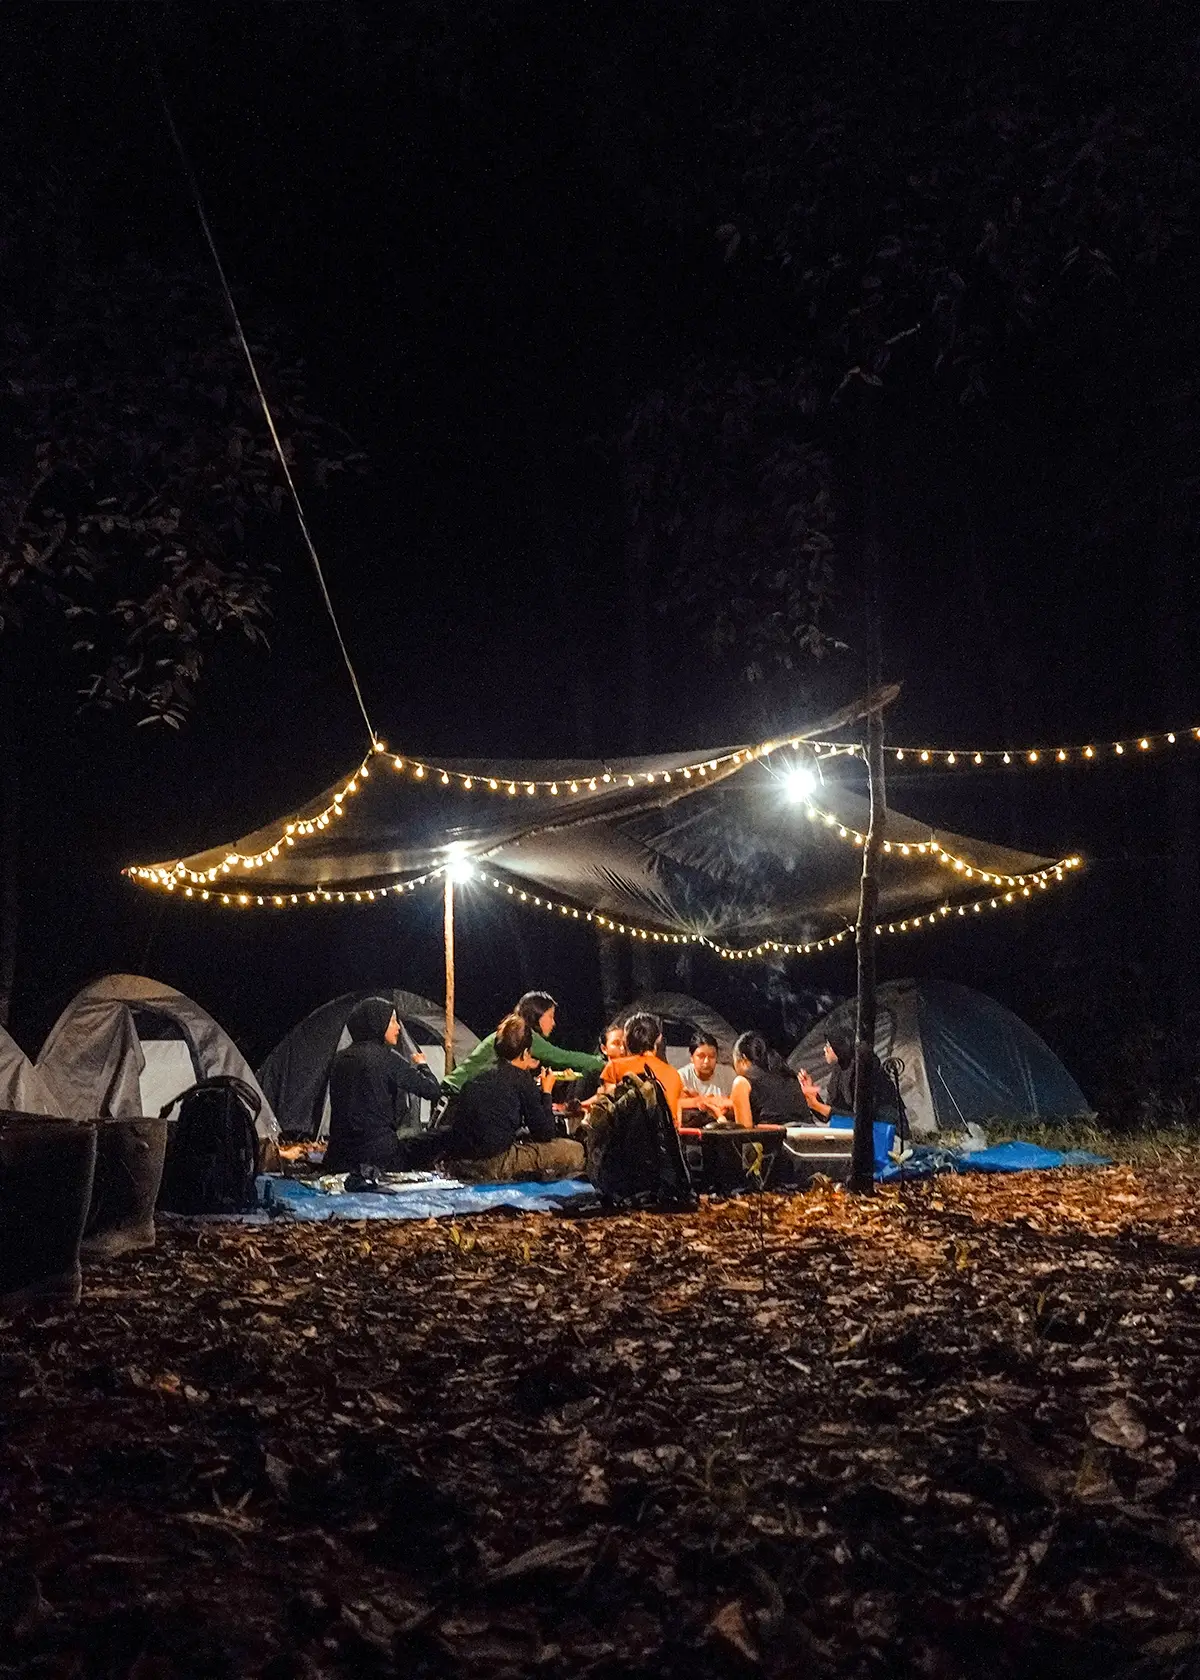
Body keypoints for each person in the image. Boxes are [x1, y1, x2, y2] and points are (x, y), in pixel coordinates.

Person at [439, 1013, 586, 1182]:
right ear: (525, 1053)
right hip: (493, 1164)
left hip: (459, 1162)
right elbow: (545, 1133)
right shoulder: (521, 1079)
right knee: (574, 1150)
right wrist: (547, 1091)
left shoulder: (479, 1075)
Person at [324, 998, 443, 1173]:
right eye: (393, 1021)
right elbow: (432, 1090)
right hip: (380, 1158)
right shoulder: (387, 1059)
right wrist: (423, 1065)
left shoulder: (339, 1059)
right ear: (377, 1023)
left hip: (339, 1157)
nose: (398, 1028)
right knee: (440, 1138)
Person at [442, 991, 605, 1093]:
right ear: (536, 1015)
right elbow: (562, 1056)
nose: (553, 1023)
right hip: (458, 1092)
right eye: (550, 1016)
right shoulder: (522, 1034)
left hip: (458, 1090)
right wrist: (600, 1062)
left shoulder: (516, 1030)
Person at [798, 1027, 896, 1125]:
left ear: (840, 1046)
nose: (825, 1049)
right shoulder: (839, 1070)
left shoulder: (861, 1068)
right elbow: (828, 1115)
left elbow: (863, 1117)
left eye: (829, 1045)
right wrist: (812, 1094)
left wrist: (817, 1106)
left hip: (886, 1132)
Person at [601, 1011, 684, 1125]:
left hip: (626, 1140)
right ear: (658, 1038)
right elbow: (676, 1122)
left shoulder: (614, 1067)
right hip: (662, 1141)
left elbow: (606, 1114)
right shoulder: (674, 1074)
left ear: (625, 1040)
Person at [729, 1031, 809, 1129]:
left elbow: (744, 1130)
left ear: (743, 1059)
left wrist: (720, 1118)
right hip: (811, 1135)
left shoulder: (742, 1082)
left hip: (778, 1139)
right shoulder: (788, 1075)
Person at [678, 1031, 732, 1124]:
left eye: (712, 1056)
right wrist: (705, 1102)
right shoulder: (681, 1076)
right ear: (691, 1057)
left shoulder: (728, 1074)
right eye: (701, 1056)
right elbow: (677, 1105)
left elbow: (736, 1104)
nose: (706, 1061)